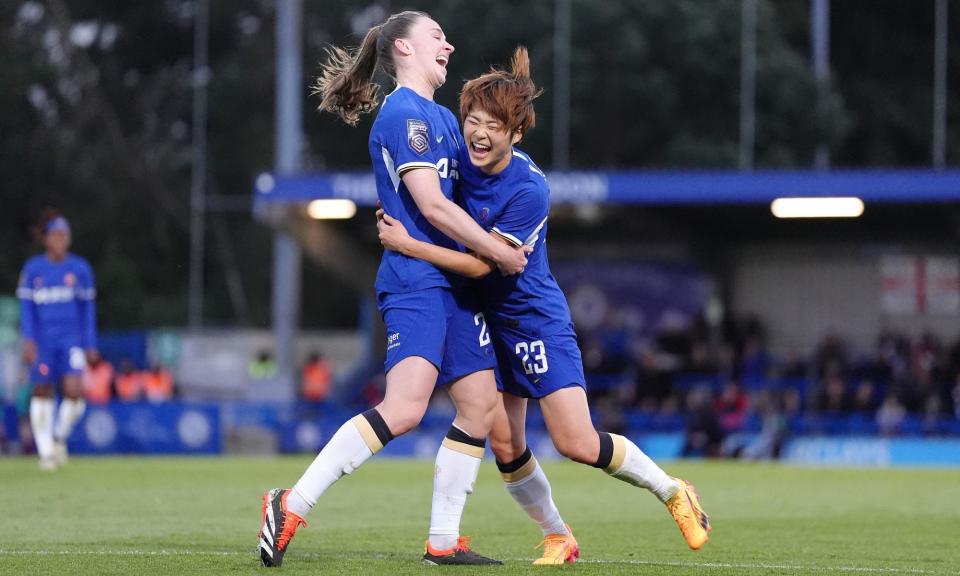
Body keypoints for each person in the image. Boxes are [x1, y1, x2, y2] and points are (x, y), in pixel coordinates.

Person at [377, 47, 711, 564]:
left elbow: (486, 266)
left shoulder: (530, 189)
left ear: (517, 134)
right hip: (485, 317)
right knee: (505, 445)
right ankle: (559, 535)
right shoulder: (457, 163)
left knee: (575, 440)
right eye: (473, 119)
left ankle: (671, 489)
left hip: (531, 317)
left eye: (493, 124)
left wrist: (409, 245)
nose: (478, 133)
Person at [257, 11, 528, 568]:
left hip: (453, 283)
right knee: (404, 409)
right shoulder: (406, 114)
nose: (449, 45)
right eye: (437, 37)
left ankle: (443, 541)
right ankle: (291, 503)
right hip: (418, 282)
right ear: (403, 48)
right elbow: (430, 205)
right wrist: (500, 250)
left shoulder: (440, 118)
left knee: (478, 406)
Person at [17, 210, 98, 470]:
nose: (61, 239)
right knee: (42, 390)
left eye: (65, 235)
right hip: (43, 341)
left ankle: (58, 435)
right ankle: (46, 452)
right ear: (46, 239)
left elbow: (88, 310)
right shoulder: (33, 269)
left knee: (75, 392)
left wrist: (90, 343)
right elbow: (27, 310)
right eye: (56, 235)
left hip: (71, 339)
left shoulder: (80, 269)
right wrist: (28, 340)